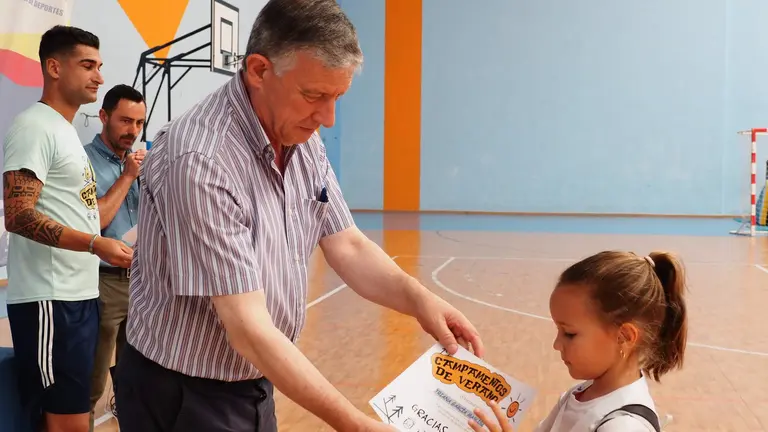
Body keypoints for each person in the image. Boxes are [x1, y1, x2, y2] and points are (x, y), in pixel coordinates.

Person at [114, 1, 484, 431]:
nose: (327, 118)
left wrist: (420, 299)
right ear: (258, 70)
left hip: (252, 374)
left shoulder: (297, 131)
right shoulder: (200, 158)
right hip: (183, 392)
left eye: (337, 98)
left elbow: (347, 243)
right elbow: (248, 329)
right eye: (314, 96)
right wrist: (355, 423)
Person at [2, 25, 134, 432]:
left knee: (70, 416)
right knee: (68, 423)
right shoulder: (34, 126)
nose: (99, 76)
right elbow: (18, 215)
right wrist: (95, 244)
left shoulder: (66, 132)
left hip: (79, 298)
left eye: (100, 66)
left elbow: (82, 214)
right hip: (51, 302)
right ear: (55, 67)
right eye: (88, 65)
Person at [468, 251, 688, 432]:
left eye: (569, 334)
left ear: (624, 337)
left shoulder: (623, 426)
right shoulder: (581, 394)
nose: (556, 344)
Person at [83, 84, 146, 429]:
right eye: (125, 121)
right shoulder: (83, 160)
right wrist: (128, 177)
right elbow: (98, 220)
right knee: (91, 383)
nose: (132, 131)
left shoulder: (136, 162)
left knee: (135, 381)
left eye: (139, 123)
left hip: (139, 283)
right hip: (101, 283)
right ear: (103, 117)